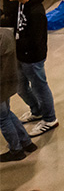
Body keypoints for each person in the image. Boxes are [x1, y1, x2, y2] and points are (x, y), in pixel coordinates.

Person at [1, 0, 56, 138]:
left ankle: (50, 119)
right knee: (20, 86)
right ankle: (36, 110)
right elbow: (13, 22)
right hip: (20, 55)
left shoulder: (36, 11)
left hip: (32, 58)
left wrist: (19, 46)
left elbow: (35, 40)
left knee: (40, 87)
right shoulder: (19, 4)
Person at [0, 26, 36, 163]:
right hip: (7, 81)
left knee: (3, 118)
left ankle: (16, 150)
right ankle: (26, 142)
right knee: (7, 113)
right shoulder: (6, 33)